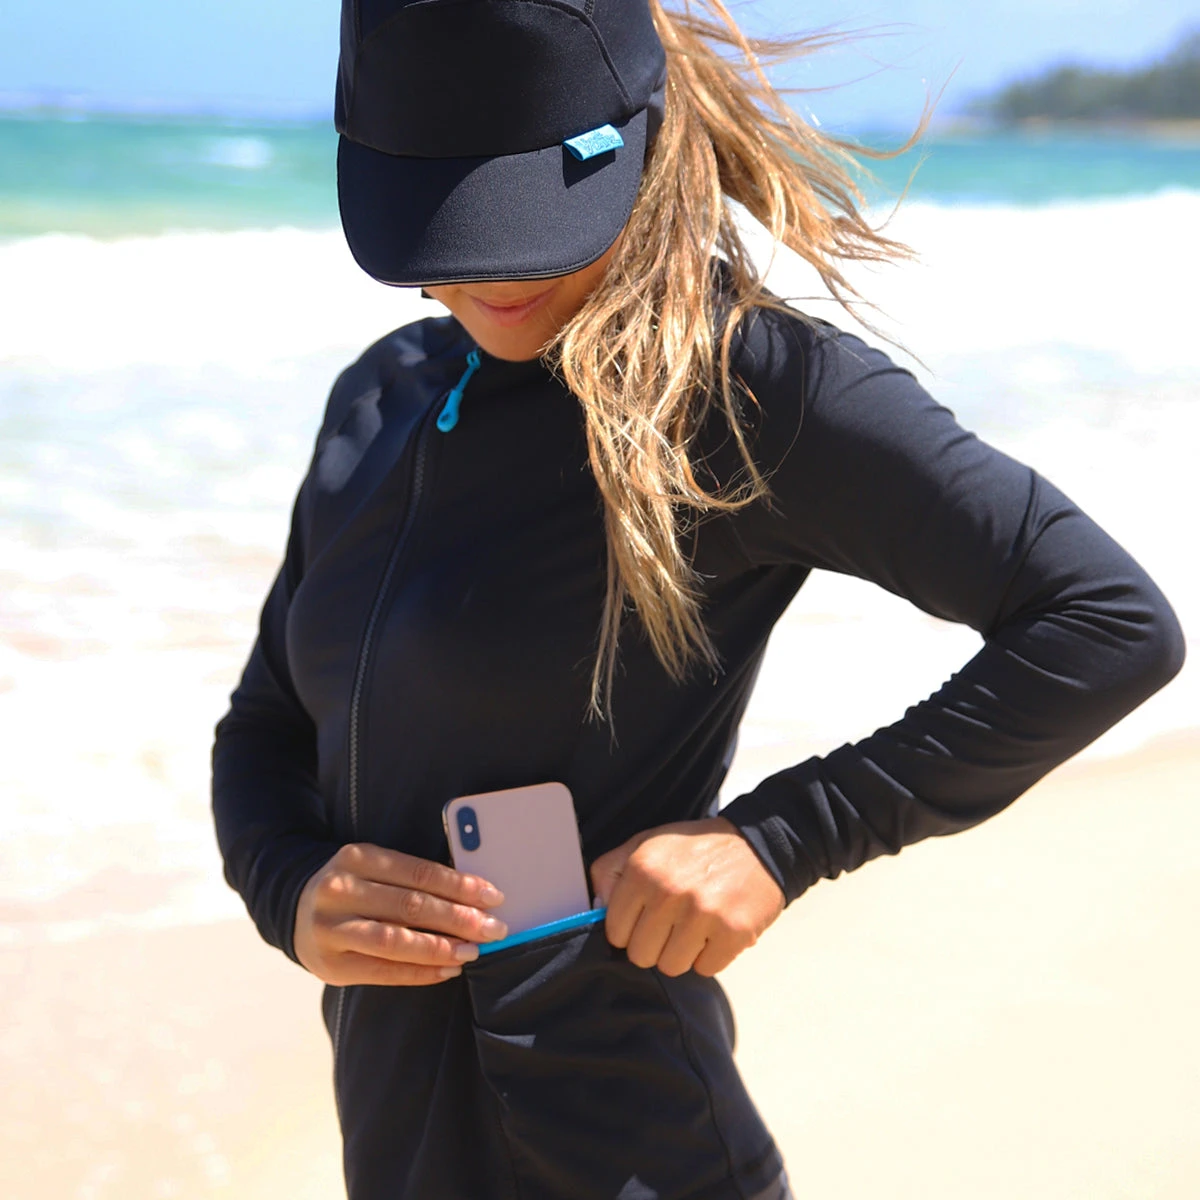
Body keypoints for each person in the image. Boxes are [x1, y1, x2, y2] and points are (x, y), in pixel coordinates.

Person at [211, 2, 1185, 1197]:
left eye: (527, 216)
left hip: (634, 1153)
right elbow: (267, 724)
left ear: (636, 141)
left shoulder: (744, 387)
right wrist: (288, 886)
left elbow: (1105, 622)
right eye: (450, 216)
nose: (492, 272)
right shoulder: (381, 400)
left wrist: (781, 839)